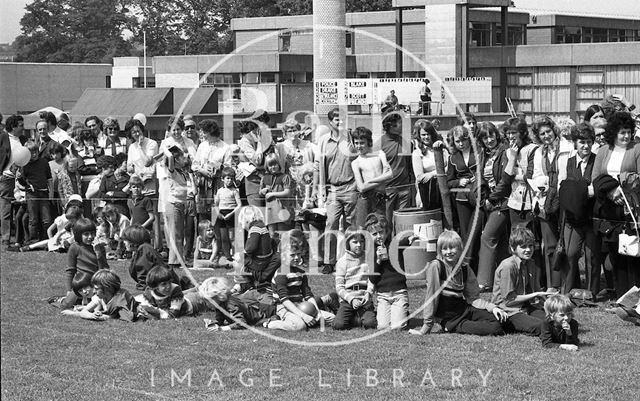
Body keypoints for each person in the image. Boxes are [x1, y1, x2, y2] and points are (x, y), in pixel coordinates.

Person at [409, 230, 507, 336]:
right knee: (495, 328)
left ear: (460, 249)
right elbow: (431, 296)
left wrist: (493, 308)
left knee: (501, 319)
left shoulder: (465, 268)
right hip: (452, 321)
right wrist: (426, 326)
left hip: (466, 310)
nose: (449, 252)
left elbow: (473, 298)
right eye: (444, 248)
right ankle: (452, 328)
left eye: (452, 247)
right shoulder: (436, 266)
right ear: (439, 251)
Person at [591, 111, 640, 298]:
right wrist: (611, 191)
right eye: (622, 132)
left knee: (633, 254)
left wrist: (623, 185)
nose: (626, 136)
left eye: (628, 131)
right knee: (616, 254)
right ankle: (621, 297)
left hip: (631, 209)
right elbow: (595, 178)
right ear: (614, 133)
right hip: (610, 209)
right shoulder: (603, 151)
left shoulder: (637, 149)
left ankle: (635, 298)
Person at [266, 229, 335, 331]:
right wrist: (303, 315)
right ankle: (271, 323)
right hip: (285, 308)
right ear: (283, 256)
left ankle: (308, 319)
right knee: (300, 326)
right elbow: (284, 300)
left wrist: (317, 311)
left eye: (298, 254)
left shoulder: (301, 273)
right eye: (292, 255)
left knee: (332, 319)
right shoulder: (281, 274)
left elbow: (308, 294)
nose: (296, 257)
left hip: (301, 305)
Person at [557, 122, 597, 295]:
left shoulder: (597, 160)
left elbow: (596, 189)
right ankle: (569, 290)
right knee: (571, 253)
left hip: (592, 216)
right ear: (575, 143)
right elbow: (563, 188)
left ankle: (591, 293)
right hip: (572, 218)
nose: (586, 146)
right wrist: (583, 190)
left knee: (591, 257)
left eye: (589, 142)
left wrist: (578, 190)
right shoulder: (568, 161)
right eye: (582, 142)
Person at [315, 108, 357, 273]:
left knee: (350, 225)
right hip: (332, 188)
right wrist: (319, 189)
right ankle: (329, 261)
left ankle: (351, 258)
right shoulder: (324, 141)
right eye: (336, 120)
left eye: (342, 119)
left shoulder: (351, 137)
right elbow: (319, 166)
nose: (340, 123)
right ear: (330, 122)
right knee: (331, 224)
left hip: (350, 186)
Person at [491, 226, 553, 336]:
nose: (528, 250)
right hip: (509, 311)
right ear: (513, 248)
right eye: (523, 247)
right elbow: (509, 300)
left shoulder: (531, 263)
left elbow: (537, 291)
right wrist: (536, 294)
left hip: (527, 306)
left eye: (530, 246)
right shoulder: (508, 266)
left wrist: (550, 305)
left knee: (554, 321)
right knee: (543, 326)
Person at [531, 116, 566, 291]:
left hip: (563, 199)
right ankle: (553, 285)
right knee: (550, 245)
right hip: (545, 200)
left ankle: (567, 283)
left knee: (565, 244)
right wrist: (541, 183)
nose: (546, 136)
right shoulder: (539, 152)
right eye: (542, 134)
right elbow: (537, 173)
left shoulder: (567, 147)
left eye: (548, 131)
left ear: (554, 130)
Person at [477, 122, 511, 291]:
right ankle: (504, 279)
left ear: (497, 135)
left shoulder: (504, 152)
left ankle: (484, 281)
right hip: (491, 202)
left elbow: (505, 180)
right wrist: (485, 199)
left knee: (487, 237)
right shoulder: (484, 154)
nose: (489, 140)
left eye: (491, 135)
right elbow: (482, 178)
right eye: (485, 137)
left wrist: (491, 199)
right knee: (502, 243)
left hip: (502, 203)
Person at [446, 125, 482, 272]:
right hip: (462, 199)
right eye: (457, 141)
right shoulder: (453, 158)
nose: (461, 143)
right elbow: (448, 182)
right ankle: (468, 267)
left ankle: (473, 265)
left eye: (463, 140)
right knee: (466, 231)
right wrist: (458, 182)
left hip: (478, 195)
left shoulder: (479, 151)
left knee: (477, 231)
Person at [366, 213, 410, 330]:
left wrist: (411, 238)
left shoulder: (393, 244)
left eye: (381, 232)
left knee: (397, 327)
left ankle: (404, 313)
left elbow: (404, 241)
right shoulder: (370, 252)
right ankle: (398, 313)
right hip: (383, 295)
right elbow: (372, 278)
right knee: (383, 326)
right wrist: (378, 261)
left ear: (387, 232)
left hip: (399, 292)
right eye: (374, 234)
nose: (379, 236)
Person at [232, 206, 280, 304]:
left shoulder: (255, 229)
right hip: (266, 260)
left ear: (245, 219)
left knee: (237, 261)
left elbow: (252, 246)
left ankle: (243, 285)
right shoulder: (262, 226)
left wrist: (242, 254)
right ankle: (248, 284)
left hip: (259, 263)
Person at [58, 218, 109, 309]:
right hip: (81, 284)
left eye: (92, 233)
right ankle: (63, 299)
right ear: (78, 235)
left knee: (98, 306)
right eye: (86, 234)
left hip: (96, 285)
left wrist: (99, 255)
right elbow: (70, 270)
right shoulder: (75, 247)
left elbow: (104, 270)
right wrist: (69, 289)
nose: (90, 237)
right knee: (65, 305)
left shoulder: (100, 248)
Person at [333, 227, 377, 330]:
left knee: (370, 324)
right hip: (348, 299)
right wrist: (351, 299)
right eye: (355, 242)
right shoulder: (342, 262)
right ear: (348, 243)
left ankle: (359, 317)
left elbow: (371, 280)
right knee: (338, 325)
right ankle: (335, 306)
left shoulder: (368, 259)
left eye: (361, 242)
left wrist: (368, 293)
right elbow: (339, 287)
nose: (359, 245)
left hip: (364, 298)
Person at [195, 277, 277, 330]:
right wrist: (213, 324)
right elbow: (220, 320)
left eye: (208, 301)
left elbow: (241, 323)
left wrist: (222, 329)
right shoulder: (219, 304)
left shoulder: (230, 303)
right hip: (260, 312)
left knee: (272, 321)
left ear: (217, 297)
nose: (207, 304)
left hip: (266, 313)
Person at [350, 127, 392, 228]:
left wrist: (371, 181)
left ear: (369, 142)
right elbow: (361, 187)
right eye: (356, 143)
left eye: (362, 143)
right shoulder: (356, 162)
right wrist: (382, 179)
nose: (359, 146)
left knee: (382, 228)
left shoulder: (380, 154)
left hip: (380, 198)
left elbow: (390, 174)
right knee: (362, 229)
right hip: (365, 199)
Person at [61, 270, 139, 322]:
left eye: (96, 288)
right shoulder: (99, 297)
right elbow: (84, 312)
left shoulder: (121, 298)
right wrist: (92, 316)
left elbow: (128, 318)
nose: (94, 291)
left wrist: (105, 317)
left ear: (107, 288)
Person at [381, 112, 415, 230]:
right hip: (387, 191)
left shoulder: (407, 142)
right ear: (391, 126)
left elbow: (410, 166)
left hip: (405, 189)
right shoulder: (379, 144)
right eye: (401, 124)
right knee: (386, 224)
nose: (404, 126)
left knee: (403, 223)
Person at [163, 146, 195, 267]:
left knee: (180, 233)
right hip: (173, 204)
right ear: (176, 159)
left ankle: (179, 259)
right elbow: (170, 156)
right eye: (181, 157)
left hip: (181, 205)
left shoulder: (182, 172)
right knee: (175, 233)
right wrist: (167, 148)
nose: (184, 159)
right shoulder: (172, 171)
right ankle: (174, 261)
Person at [192, 119, 230, 222]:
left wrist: (218, 167)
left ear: (211, 132)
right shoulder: (202, 145)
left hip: (217, 185)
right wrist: (202, 170)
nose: (201, 134)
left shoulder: (225, 147)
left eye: (204, 132)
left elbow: (229, 169)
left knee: (217, 215)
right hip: (203, 186)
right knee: (203, 216)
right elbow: (194, 165)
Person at [237, 112, 273, 207]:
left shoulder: (268, 137)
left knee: (271, 215)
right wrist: (260, 142)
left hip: (270, 182)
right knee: (257, 215)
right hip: (254, 183)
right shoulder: (245, 140)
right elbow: (257, 160)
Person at [19, 141, 53, 242]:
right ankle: (33, 240)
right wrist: (24, 182)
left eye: (35, 152)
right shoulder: (24, 164)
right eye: (31, 153)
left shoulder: (44, 162)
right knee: (33, 220)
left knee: (46, 219)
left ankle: (45, 240)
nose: (34, 155)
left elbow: (49, 179)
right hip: (31, 194)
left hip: (44, 194)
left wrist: (50, 194)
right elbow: (21, 181)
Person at [411, 119, 446, 211]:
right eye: (423, 135)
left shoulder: (440, 148)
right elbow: (420, 177)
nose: (426, 137)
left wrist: (431, 174)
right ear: (419, 135)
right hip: (427, 193)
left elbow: (449, 167)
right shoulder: (417, 153)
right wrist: (439, 172)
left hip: (444, 190)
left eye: (428, 134)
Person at [1, 115, 25, 247]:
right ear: (13, 127)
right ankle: (5, 237)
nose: (23, 128)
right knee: (6, 208)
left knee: (20, 207)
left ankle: (18, 237)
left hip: (20, 178)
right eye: (21, 125)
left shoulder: (22, 139)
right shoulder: (3, 138)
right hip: (6, 177)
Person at [17, 205, 81, 252]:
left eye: (71, 219)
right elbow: (61, 232)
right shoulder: (70, 224)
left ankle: (57, 248)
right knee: (50, 241)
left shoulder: (80, 225)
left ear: (77, 218)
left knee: (67, 244)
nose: (70, 221)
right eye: (69, 219)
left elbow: (76, 236)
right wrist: (56, 239)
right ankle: (30, 247)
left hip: (76, 242)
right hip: (66, 241)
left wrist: (68, 240)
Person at [259, 153, 293, 237]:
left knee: (282, 234)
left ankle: (282, 250)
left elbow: (287, 192)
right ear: (267, 167)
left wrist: (273, 194)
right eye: (270, 165)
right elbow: (260, 192)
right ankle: (273, 250)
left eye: (274, 164)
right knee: (272, 234)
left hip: (281, 208)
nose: (273, 167)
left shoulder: (285, 176)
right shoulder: (264, 178)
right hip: (270, 211)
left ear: (278, 164)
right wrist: (263, 191)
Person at [122, 224, 164, 290]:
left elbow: (144, 275)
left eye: (126, 240)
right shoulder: (144, 248)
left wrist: (141, 289)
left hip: (160, 287)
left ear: (133, 240)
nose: (124, 242)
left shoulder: (144, 250)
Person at [213, 167, 242, 263]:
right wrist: (218, 213)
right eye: (227, 178)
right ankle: (227, 257)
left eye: (231, 178)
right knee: (223, 237)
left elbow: (239, 205)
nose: (229, 180)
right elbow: (216, 204)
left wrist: (231, 214)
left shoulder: (234, 191)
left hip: (231, 214)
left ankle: (235, 256)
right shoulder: (219, 191)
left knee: (232, 237)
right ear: (222, 179)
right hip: (222, 215)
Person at [98, 153, 130, 218]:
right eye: (125, 163)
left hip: (122, 210)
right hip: (108, 210)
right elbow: (101, 195)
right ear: (119, 164)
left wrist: (112, 193)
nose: (127, 166)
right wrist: (118, 195)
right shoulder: (106, 178)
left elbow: (125, 195)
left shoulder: (128, 178)